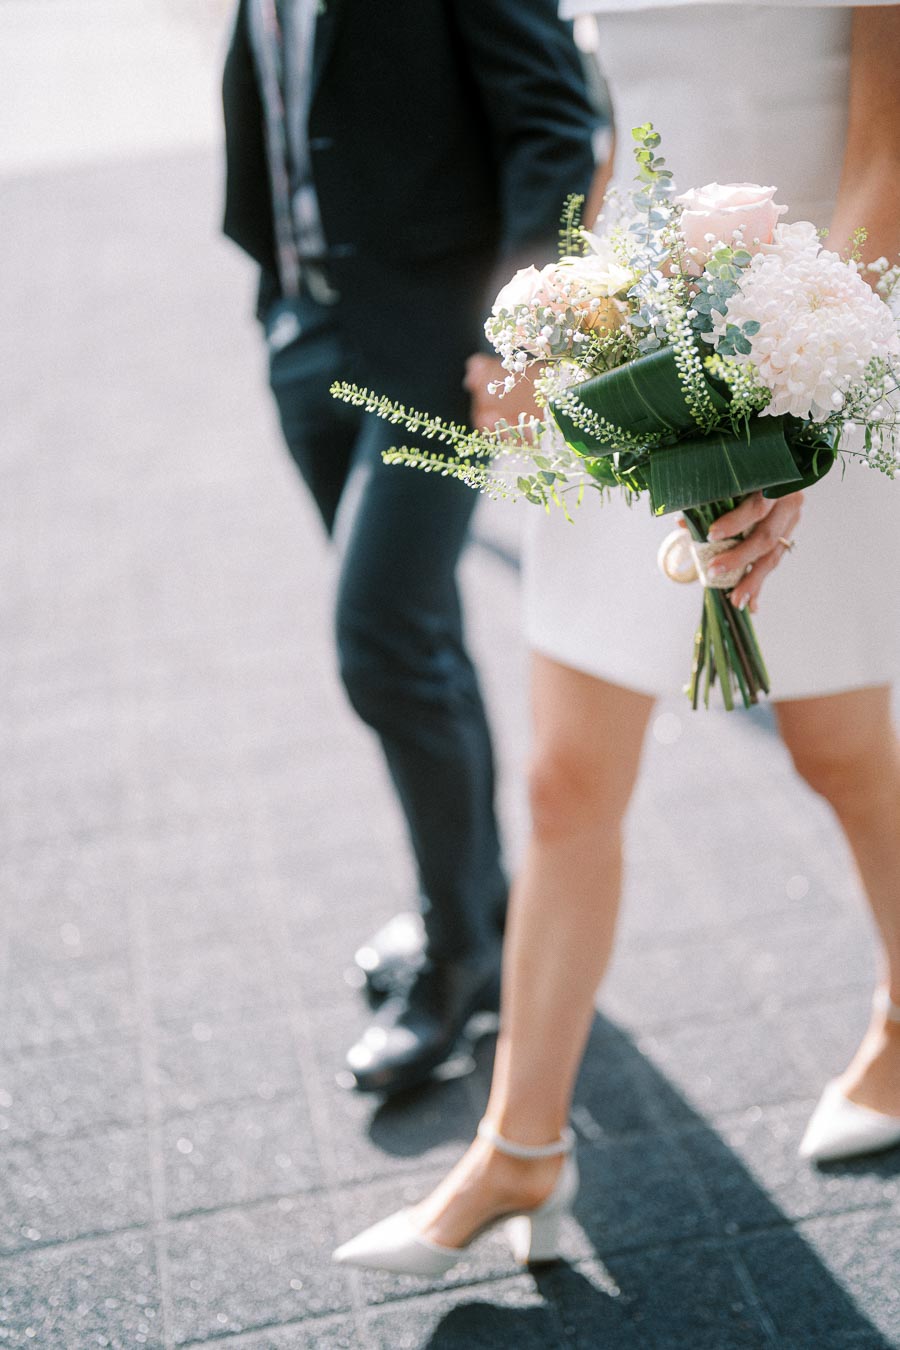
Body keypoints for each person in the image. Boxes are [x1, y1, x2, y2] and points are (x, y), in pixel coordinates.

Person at [333, 0, 900, 1272]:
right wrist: (553, 317)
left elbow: (887, 160)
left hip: (822, 358)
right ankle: (522, 1153)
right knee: (563, 778)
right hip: (636, 356)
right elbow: (622, 124)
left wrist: (790, 412)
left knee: (837, 750)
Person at [221, 0, 597, 1095]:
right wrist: (280, 302)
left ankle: (460, 960)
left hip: (439, 349)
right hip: (307, 330)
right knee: (419, 635)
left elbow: (555, 121)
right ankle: (479, 902)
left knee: (380, 641)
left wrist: (522, 332)